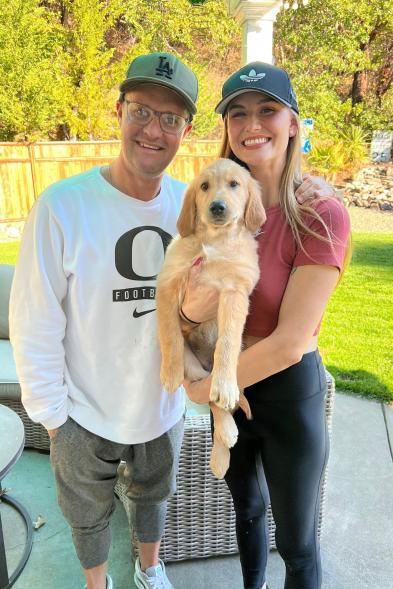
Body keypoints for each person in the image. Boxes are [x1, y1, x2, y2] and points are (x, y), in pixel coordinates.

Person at [9, 51, 335, 589]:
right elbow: (34, 316)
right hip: (84, 409)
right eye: (140, 110)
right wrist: (50, 412)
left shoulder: (190, 207)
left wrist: (312, 185)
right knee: (87, 512)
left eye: (170, 118)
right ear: (119, 112)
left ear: (185, 130)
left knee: (154, 496)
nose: (153, 130)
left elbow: (253, 229)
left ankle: (150, 568)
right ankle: (98, 583)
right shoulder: (63, 205)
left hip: (163, 403)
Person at [183, 62, 351, 589]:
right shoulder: (219, 205)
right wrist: (190, 315)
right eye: (239, 113)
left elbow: (290, 342)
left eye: (267, 110)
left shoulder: (320, 213)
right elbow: (190, 306)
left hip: (284, 394)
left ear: (294, 123)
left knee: (297, 544)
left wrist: (199, 388)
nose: (252, 123)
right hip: (230, 395)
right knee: (247, 512)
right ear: (228, 128)